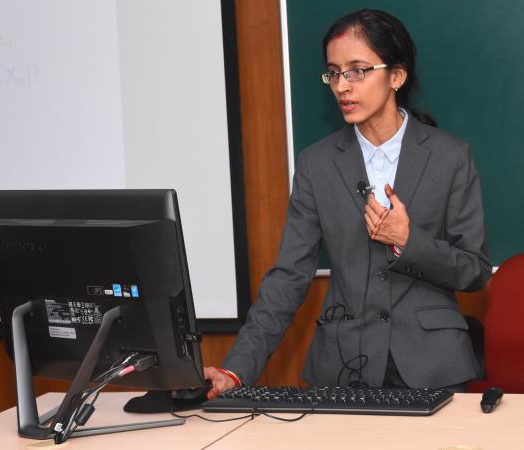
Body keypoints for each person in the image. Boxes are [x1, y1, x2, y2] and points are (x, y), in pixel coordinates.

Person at [204, 8, 490, 399]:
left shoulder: (450, 156)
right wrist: (235, 370)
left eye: (357, 70)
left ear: (397, 76)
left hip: (434, 364)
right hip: (343, 364)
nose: (342, 86)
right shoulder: (316, 164)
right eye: (334, 72)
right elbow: (289, 276)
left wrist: (409, 241)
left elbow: (474, 270)